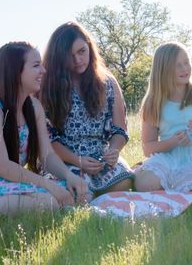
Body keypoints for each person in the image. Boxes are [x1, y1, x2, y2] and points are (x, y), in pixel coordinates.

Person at [0, 42, 89, 218]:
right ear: (16, 72)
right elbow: (1, 166)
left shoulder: (34, 107)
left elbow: (47, 156)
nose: (43, 71)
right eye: (35, 65)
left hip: (8, 181)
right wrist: (48, 185)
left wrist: (69, 176)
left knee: (76, 193)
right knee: (47, 203)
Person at [40, 22, 133, 195]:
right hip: (64, 162)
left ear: (90, 47)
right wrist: (79, 161)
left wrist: (113, 150)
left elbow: (120, 130)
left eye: (82, 51)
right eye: (70, 55)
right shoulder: (48, 87)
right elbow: (48, 140)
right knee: (68, 192)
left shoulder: (108, 83)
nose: (77, 60)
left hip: (100, 160)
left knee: (125, 181)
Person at [134, 42, 192, 192]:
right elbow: (148, 148)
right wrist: (173, 141)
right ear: (164, 70)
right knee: (144, 183)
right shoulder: (154, 102)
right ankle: (150, 175)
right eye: (177, 65)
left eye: (186, 62)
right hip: (167, 157)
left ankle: (172, 189)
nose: (185, 68)